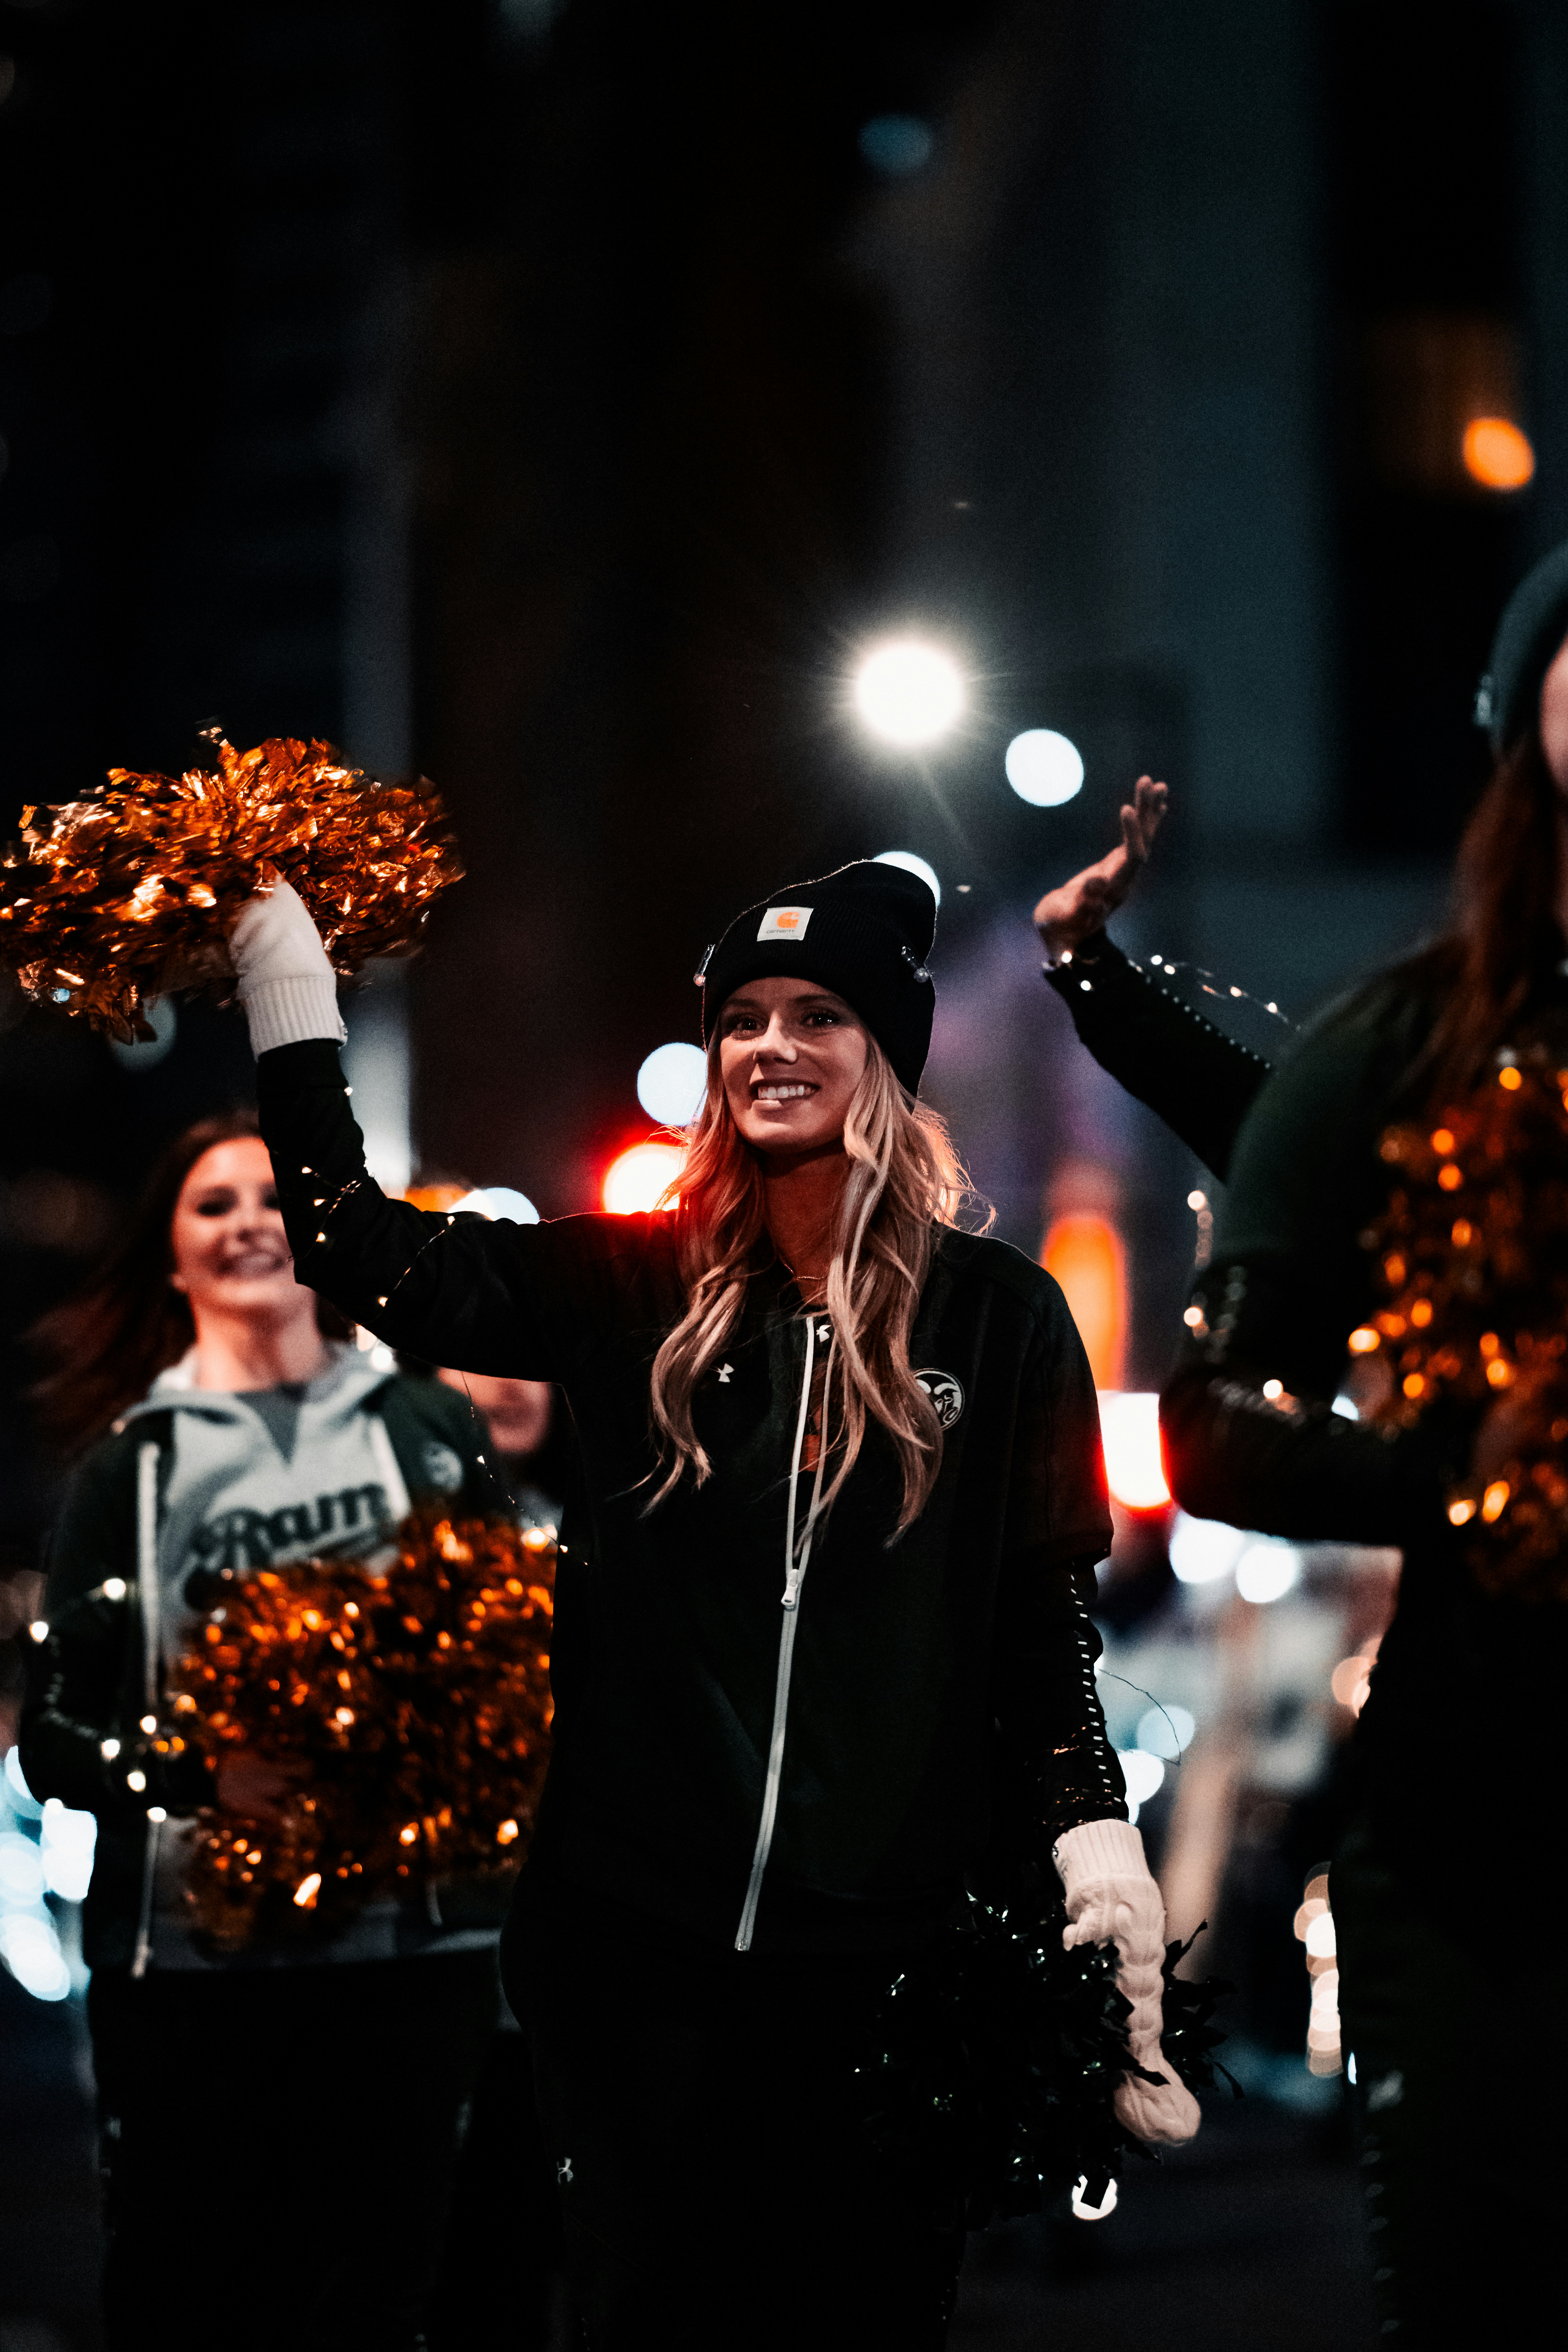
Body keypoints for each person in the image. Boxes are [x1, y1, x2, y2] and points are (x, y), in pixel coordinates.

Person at [222, 855, 1199, 2350]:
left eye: (820, 1016)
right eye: (745, 1017)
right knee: (643, 2319)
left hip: (891, 1957)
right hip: (631, 1949)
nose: (773, 1046)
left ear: (887, 1056)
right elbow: (362, 1247)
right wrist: (292, 1002)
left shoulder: (1001, 1315)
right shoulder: (633, 1284)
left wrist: (1091, 1836)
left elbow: (1035, 1631)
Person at [1036, 542, 1568, 2339]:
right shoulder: (1423, 1040)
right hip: (1494, 1813)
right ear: (1524, 727)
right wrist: (1488, 1476)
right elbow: (1228, 1393)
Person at [20, 1110, 500, 2352]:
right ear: (173, 1258)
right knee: (194, 2304)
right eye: (212, 1206)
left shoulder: (428, 1429)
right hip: (192, 1976)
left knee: (382, 2305)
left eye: (274, 1199)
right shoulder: (125, 1468)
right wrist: (200, 1773)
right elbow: (54, 1743)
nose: (248, 1225)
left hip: (411, 1958)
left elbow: (517, 1663)